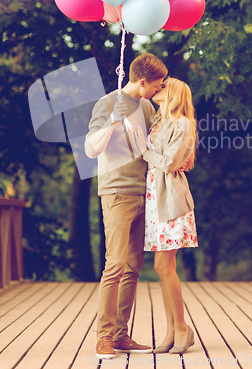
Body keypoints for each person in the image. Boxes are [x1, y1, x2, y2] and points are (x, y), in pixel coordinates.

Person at [85, 53, 168, 359]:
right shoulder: (107, 103)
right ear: (143, 81)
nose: (161, 87)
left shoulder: (147, 106)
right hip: (117, 192)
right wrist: (113, 121)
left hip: (142, 191)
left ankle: (121, 335)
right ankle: (103, 337)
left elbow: (151, 147)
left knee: (133, 267)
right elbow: (91, 149)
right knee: (116, 264)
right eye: (158, 83)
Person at [134, 77, 198, 354]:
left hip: (170, 197)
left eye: (163, 86)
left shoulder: (183, 123)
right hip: (154, 197)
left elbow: (171, 162)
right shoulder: (159, 121)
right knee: (162, 268)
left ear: (173, 93)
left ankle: (182, 328)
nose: (157, 88)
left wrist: (144, 151)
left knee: (163, 266)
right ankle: (172, 330)